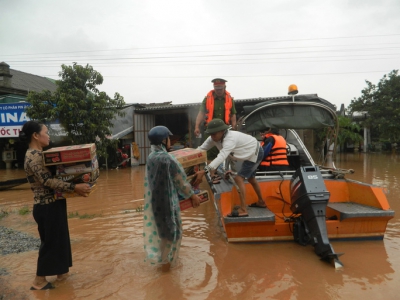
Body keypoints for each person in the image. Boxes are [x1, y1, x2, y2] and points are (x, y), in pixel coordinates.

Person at [19, 121, 91, 290]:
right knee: (51, 243)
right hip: (46, 206)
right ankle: (39, 281)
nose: (49, 135)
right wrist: (75, 187)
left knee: (60, 240)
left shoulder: (40, 154)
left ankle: (62, 274)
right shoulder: (34, 155)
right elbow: (47, 180)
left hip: (53, 204)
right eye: (46, 132)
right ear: (36, 136)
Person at [143, 126, 201, 272]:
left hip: (156, 202)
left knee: (164, 235)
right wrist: (193, 195)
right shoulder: (167, 159)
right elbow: (180, 181)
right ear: (164, 140)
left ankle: (162, 263)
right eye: (169, 138)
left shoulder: (151, 157)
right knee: (173, 235)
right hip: (168, 203)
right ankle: (166, 270)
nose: (171, 141)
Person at [192, 118, 265, 217]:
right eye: (210, 134)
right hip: (249, 151)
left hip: (255, 152)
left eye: (214, 134)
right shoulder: (213, 138)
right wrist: (188, 156)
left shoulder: (229, 139)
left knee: (239, 179)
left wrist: (204, 171)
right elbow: (201, 149)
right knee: (251, 178)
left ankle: (243, 209)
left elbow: (221, 157)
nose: (212, 137)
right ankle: (261, 202)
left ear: (222, 131)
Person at [194, 78, 237, 184]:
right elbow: (201, 113)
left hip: (224, 131)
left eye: (220, 88)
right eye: (216, 88)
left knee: (226, 151)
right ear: (214, 88)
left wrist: (234, 125)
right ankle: (213, 174)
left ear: (224, 87)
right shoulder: (207, 98)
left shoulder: (229, 99)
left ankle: (224, 171)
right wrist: (197, 126)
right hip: (211, 130)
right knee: (210, 152)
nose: (218, 90)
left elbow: (233, 113)